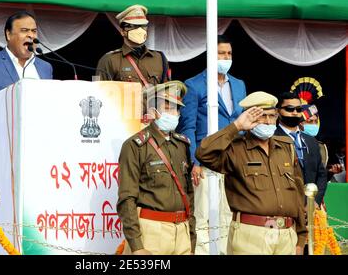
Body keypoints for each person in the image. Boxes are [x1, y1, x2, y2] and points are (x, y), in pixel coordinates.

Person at [197, 91, 307, 255]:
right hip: (251, 235)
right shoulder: (235, 148)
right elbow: (203, 153)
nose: (268, 121)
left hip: (286, 236)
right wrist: (236, 127)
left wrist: (301, 236)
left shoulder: (286, 147)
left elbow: (296, 194)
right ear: (248, 117)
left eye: (272, 116)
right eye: (261, 116)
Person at [176, 35, 246, 254]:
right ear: (210, 55)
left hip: (234, 161)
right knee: (204, 217)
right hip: (205, 162)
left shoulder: (239, 84)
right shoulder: (194, 85)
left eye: (229, 54)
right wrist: (194, 161)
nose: (226, 57)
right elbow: (187, 127)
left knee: (230, 216)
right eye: (221, 53)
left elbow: (242, 124)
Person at [117, 81, 196, 255]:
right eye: (166, 107)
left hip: (181, 233)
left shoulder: (182, 145)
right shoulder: (135, 145)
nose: (173, 113)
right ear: (153, 110)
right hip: (151, 233)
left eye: (176, 108)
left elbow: (189, 196)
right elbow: (126, 199)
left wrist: (191, 239)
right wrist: (137, 246)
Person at [95, 4, 169, 87]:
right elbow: (98, 94)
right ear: (122, 31)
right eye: (133, 26)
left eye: (143, 26)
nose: (140, 30)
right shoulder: (109, 60)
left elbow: (167, 93)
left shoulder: (159, 58)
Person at [274, 92, 327, 205]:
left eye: (298, 110)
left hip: (311, 207)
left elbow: (321, 174)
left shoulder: (311, 141)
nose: (294, 113)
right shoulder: (271, 139)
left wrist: (315, 201)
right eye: (289, 109)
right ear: (278, 111)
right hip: (283, 206)